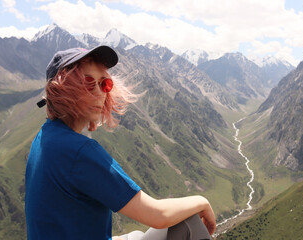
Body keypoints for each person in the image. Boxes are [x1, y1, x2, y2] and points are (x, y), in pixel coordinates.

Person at [25, 45, 216, 240]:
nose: (100, 93)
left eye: (104, 84)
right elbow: (158, 216)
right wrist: (202, 201)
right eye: (88, 83)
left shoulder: (45, 137)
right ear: (64, 89)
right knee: (188, 220)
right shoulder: (78, 151)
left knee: (133, 235)